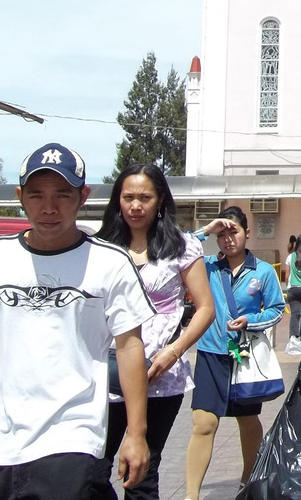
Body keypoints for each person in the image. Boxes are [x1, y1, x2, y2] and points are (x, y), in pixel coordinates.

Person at [0, 143, 156, 500]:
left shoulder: (109, 263)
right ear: (19, 197)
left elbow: (129, 346)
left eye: (62, 194)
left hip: (71, 436)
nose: (49, 207)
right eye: (36, 195)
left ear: (83, 196)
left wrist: (136, 433)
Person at [91, 163, 216, 500]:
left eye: (144, 197)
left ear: (160, 200)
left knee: (143, 473)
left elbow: (205, 308)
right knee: (93, 470)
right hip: (107, 374)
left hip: (160, 377)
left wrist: (174, 351)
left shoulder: (183, 246)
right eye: (128, 197)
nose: (135, 205)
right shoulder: (100, 247)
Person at [183, 207, 285, 500]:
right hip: (210, 353)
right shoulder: (207, 267)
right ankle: (191, 494)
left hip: (243, 357)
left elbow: (277, 310)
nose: (228, 239)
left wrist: (249, 322)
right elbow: (177, 250)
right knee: (204, 422)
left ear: (247, 233)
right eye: (222, 234)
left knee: (247, 419)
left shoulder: (263, 271)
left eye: (234, 232)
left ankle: (247, 478)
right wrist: (205, 229)